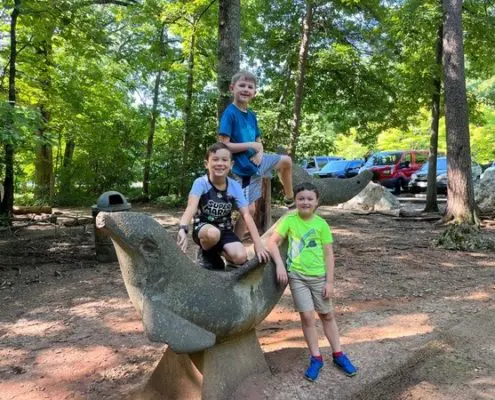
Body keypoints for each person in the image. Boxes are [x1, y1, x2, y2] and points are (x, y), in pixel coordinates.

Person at [267, 182, 357, 381]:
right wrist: (280, 265)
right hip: (297, 276)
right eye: (301, 199)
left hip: (319, 277)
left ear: (316, 202)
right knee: (307, 317)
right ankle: (316, 358)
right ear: (296, 201)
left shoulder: (321, 224)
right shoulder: (289, 220)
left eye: (309, 199)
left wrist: (330, 282)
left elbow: (328, 255)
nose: (305, 202)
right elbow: (272, 242)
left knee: (326, 315)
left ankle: (338, 354)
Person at [218, 70, 294, 239]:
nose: (246, 89)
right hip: (243, 169)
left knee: (287, 161)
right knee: (249, 210)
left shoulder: (251, 115)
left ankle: (290, 200)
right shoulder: (230, 113)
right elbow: (223, 145)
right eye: (242, 85)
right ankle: (234, 246)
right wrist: (253, 146)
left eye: (250, 87)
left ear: (254, 92)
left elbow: (258, 139)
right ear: (232, 88)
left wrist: (259, 149)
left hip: (259, 161)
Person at [177, 142, 269, 270]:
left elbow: (246, 214)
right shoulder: (201, 183)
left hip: (224, 229)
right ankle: (206, 253)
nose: (220, 163)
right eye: (215, 159)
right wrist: (183, 228)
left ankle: (226, 255)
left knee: (240, 257)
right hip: (204, 228)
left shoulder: (234, 186)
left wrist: (258, 245)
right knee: (212, 234)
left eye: (224, 160)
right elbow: (191, 207)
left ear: (231, 165)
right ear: (206, 164)